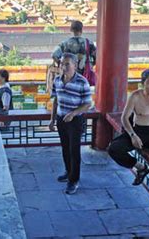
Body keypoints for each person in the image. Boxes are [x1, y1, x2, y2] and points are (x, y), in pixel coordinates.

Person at [48, 53, 92, 195]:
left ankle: (74, 180)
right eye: (62, 64)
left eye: (67, 64)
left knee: (74, 150)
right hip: (61, 119)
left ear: (75, 65)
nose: (64, 66)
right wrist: (52, 119)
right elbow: (55, 100)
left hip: (75, 120)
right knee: (65, 148)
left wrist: (73, 114)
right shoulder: (57, 80)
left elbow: (87, 104)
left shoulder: (82, 81)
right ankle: (68, 171)